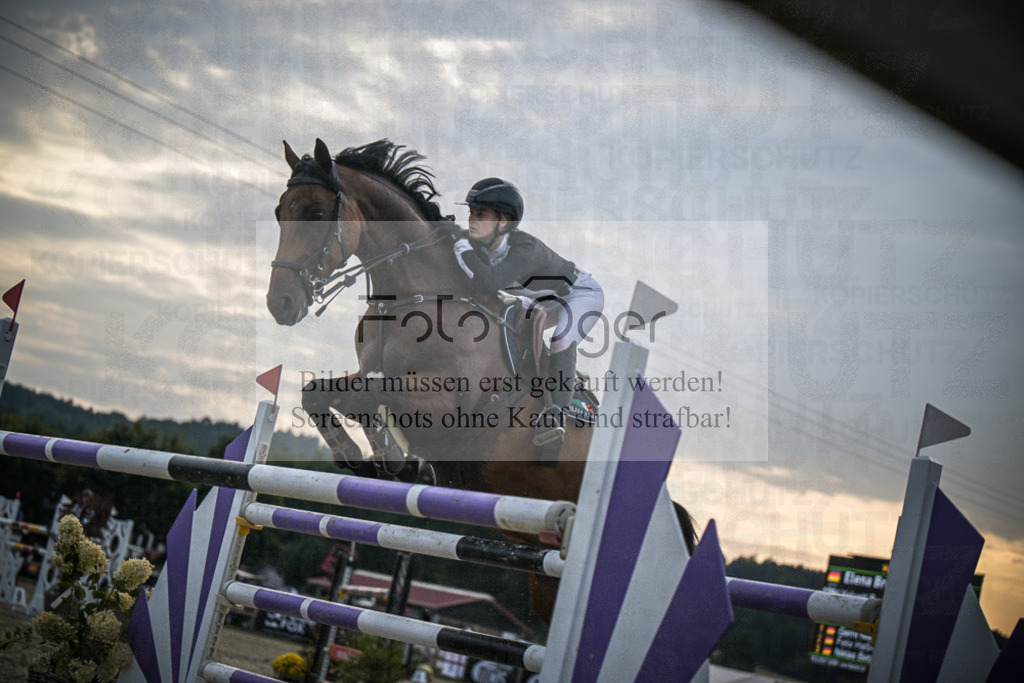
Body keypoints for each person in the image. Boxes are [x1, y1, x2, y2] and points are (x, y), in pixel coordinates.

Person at [452, 177, 605, 451]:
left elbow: (486, 282)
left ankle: (555, 416)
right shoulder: (483, 246)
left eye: (481, 214)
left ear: (504, 222)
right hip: (542, 299)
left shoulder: (526, 250)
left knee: (560, 340)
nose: (472, 220)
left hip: (580, 295)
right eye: (471, 213)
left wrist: (460, 246)